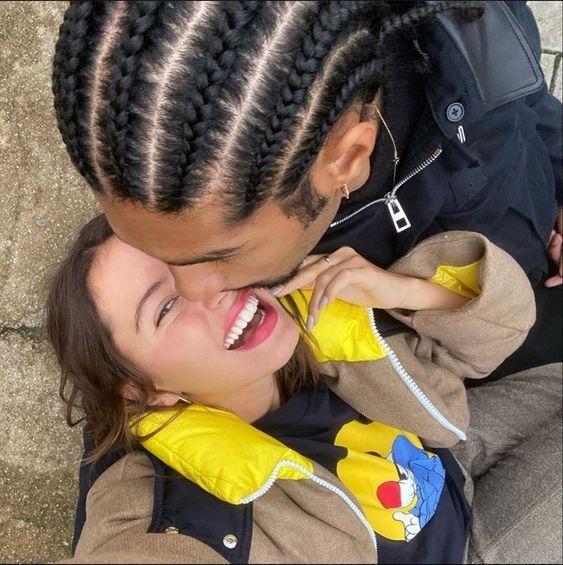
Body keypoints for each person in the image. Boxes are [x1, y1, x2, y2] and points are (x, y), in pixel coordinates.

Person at [51, 1, 562, 378]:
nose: (193, 292)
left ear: (347, 158)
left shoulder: (462, 23)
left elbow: (527, 102)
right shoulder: (260, 311)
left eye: (220, 256)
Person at [46, 214, 561, 563]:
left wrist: (405, 289)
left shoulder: (319, 315)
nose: (210, 289)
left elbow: (494, 337)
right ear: (141, 388)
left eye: (197, 262)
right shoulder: (157, 503)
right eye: (164, 307)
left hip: (452, 461)